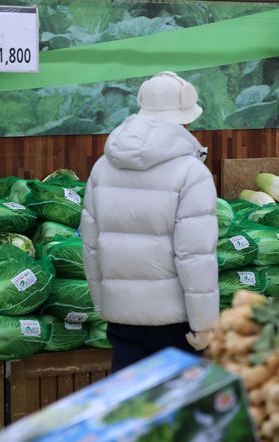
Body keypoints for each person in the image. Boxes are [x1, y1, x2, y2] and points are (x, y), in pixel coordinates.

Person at [81, 71, 219, 371]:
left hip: (122, 318)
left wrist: (105, 306)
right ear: (186, 118)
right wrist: (205, 324)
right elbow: (195, 258)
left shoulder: (103, 167)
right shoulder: (191, 172)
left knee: (132, 410)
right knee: (175, 412)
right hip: (175, 323)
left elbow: (90, 247)